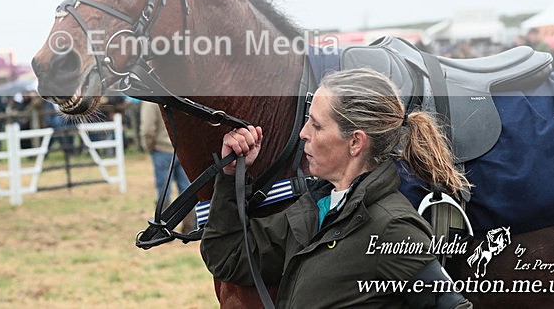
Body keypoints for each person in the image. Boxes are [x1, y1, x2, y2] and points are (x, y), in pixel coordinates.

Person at [200, 68, 472, 308]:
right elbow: (230, 256)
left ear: (355, 142)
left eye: (317, 125)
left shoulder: (393, 227)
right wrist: (231, 175)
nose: (303, 133)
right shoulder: (318, 208)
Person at [139, 101, 196, 233]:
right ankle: (190, 226)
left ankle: (163, 229)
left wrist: (148, 147)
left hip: (162, 150)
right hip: (182, 149)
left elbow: (147, 129)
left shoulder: (149, 100)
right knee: (187, 189)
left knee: (163, 192)